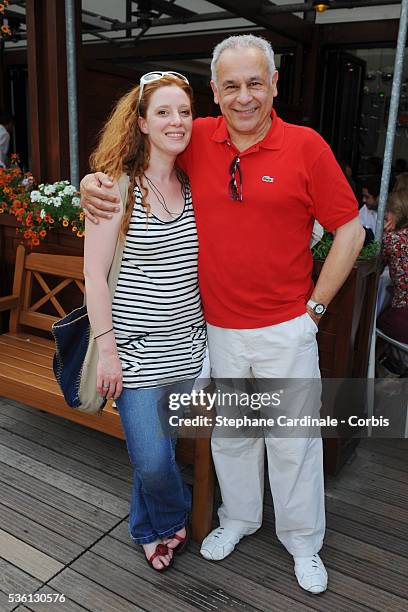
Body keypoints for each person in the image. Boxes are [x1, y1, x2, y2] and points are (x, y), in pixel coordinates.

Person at [81, 35, 365, 594]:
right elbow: (134, 155)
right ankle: (238, 519)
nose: (243, 97)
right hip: (219, 333)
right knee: (233, 438)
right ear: (215, 91)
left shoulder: (306, 145)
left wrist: (314, 311)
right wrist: (89, 182)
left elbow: (351, 230)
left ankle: (303, 541)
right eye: (230, 86)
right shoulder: (196, 137)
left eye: (255, 83)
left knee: (292, 444)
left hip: (288, 329)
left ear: (274, 84)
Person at [84, 72, 206, 572]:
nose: (176, 121)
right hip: (134, 354)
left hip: (190, 350)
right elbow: (93, 274)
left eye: (184, 111)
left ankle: (146, 528)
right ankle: (174, 516)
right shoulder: (114, 189)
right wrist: (107, 349)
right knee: (154, 459)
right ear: (141, 123)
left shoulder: (196, 186)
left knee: (160, 451)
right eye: (163, 112)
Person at [377, 190, 408, 344]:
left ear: (397, 213)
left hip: (402, 320)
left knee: (372, 321)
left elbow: (375, 263)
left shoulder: (393, 240)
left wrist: (383, 233)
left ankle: (386, 365)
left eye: (388, 211)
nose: (384, 215)